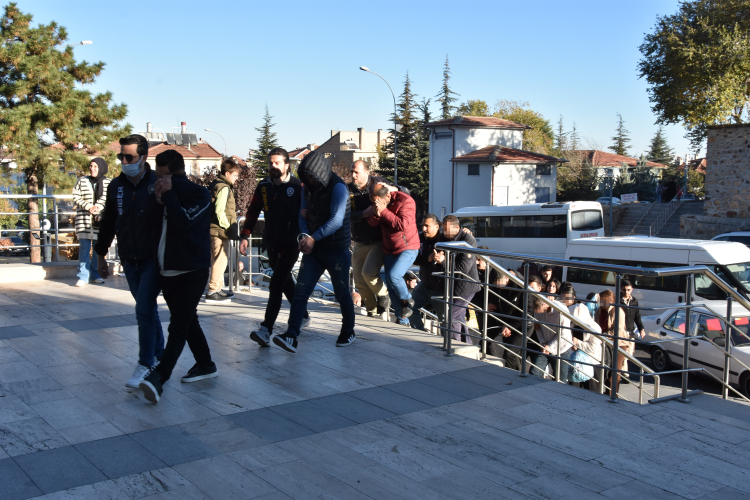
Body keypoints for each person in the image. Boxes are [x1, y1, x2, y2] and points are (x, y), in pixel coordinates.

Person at [139, 151, 217, 403]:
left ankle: (159, 377)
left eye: (160, 175)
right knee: (188, 320)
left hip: (192, 271)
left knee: (179, 325)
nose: (156, 180)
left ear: (171, 174)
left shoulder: (200, 194)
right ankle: (205, 364)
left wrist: (171, 194)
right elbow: (145, 224)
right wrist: (158, 200)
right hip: (166, 270)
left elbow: (185, 220)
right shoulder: (160, 194)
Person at [96, 135, 164, 389]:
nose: (124, 162)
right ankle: (160, 355)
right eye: (121, 157)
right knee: (147, 309)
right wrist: (101, 255)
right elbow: (108, 222)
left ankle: (145, 363)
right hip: (128, 257)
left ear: (144, 157)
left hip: (152, 259)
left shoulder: (158, 183)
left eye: (129, 157)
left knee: (143, 309)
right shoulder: (116, 186)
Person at [271, 152, 355, 352]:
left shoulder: (338, 188)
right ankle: (291, 335)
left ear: (320, 173)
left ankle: (348, 330)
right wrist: (305, 236)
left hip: (336, 249)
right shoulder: (307, 188)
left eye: (311, 176)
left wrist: (313, 237)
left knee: (342, 292)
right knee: (301, 291)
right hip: (315, 250)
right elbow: (302, 214)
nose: (309, 180)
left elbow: (336, 220)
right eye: (306, 176)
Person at [240, 148, 310, 346]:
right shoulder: (264, 186)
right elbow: (253, 211)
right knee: (285, 282)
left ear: (287, 165)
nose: (273, 166)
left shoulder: (298, 186)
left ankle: (266, 329)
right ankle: (303, 314)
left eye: (277, 163)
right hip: (271, 242)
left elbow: (309, 211)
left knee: (276, 284)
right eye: (271, 163)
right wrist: (245, 235)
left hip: (291, 244)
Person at [366, 183, 420, 325]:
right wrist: (376, 215)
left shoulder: (406, 201)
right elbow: (372, 223)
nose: (377, 204)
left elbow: (403, 225)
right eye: (374, 202)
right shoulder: (379, 203)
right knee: (391, 286)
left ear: (388, 195)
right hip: (389, 248)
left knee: (394, 276)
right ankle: (402, 320)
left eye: (379, 201)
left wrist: (384, 211)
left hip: (408, 247)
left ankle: (408, 299)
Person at [348, 160, 390, 318]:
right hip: (359, 240)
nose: (353, 175)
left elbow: (403, 190)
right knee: (359, 281)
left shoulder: (378, 183)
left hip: (378, 239)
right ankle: (372, 311)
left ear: (367, 173)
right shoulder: (348, 190)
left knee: (368, 273)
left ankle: (384, 295)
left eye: (356, 172)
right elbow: (345, 214)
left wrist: (394, 189)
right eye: (352, 172)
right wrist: (363, 214)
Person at [439, 215, 480, 344]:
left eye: (448, 230)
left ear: (457, 228)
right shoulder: (443, 238)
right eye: (444, 229)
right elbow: (438, 252)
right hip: (452, 285)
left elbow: (463, 268)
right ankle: (466, 344)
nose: (445, 233)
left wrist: (443, 262)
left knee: (452, 317)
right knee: (459, 318)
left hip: (466, 286)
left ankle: (453, 345)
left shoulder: (468, 239)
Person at [206, 158, 241, 302]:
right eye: (235, 175)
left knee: (217, 259)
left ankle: (218, 288)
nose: (236, 178)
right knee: (220, 260)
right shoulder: (224, 187)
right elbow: (219, 211)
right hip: (219, 231)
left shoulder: (216, 184)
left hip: (213, 229)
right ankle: (213, 290)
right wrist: (229, 227)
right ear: (227, 174)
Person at [73, 158, 110, 287]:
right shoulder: (82, 181)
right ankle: (82, 276)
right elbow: (76, 196)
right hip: (83, 221)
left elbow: (108, 198)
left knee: (97, 250)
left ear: (101, 168)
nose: (92, 168)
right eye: (91, 166)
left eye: (95, 166)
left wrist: (98, 207)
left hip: (99, 222)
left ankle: (95, 275)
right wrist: (88, 206)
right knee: (84, 248)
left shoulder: (108, 182)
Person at [560, 283, 603, 391]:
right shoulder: (570, 324)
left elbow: (593, 347)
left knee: (592, 393)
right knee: (573, 392)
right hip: (574, 363)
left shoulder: (594, 328)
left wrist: (577, 343)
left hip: (592, 363)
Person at [410, 214, 445, 331]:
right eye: (423, 226)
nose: (424, 229)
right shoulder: (419, 238)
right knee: (409, 306)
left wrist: (466, 233)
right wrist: (428, 259)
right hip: (424, 285)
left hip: (440, 289)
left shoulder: (444, 240)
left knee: (444, 320)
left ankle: (448, 340)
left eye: (427, 226)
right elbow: (413, 259)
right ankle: (420, 332)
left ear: (437, 226)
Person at [530, 283, 572, 381]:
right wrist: (542, 343)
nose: (540, 314)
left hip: (562, 349)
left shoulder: (561, 310)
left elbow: (563, 334)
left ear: (545, 304)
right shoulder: (538, 310)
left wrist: (550, 346)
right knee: (534, 371)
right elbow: (538, 328)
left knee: (560, 380)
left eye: (541, 311)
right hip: (545, 345)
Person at [597, 289, 629, 395]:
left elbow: (618, 331)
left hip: (618, 344)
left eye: (602, 300)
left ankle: (613, 394)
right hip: (605, 343)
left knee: (614, 371)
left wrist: (603, 335)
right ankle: (607, 393)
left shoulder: (617, 311)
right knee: (606, 369)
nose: (600, 302)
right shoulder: (600, 311)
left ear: (610, 300)